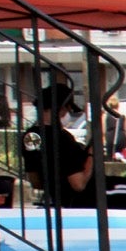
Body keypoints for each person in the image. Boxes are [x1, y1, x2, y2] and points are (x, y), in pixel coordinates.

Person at [25, 81, 103, 210]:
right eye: (66, 109)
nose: (66, 113)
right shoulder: (62, 139)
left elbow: (36, 181)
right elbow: (79, 184)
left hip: (58, 197)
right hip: (89, 194)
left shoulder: (31, 136)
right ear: (59, 108)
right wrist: (91, 154)